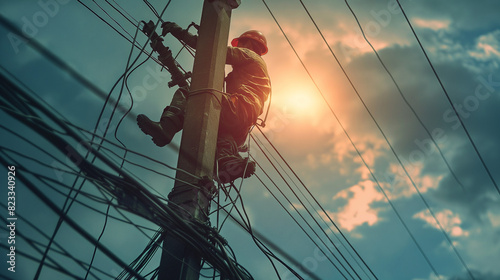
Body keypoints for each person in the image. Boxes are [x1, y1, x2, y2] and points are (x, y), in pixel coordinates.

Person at [137, 23, 271, 183]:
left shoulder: (249, 54)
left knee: (192, 93)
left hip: (239, 106)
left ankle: (167, 127)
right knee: (222, 132)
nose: (239, 47)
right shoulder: (255, 71)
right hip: (242, 124)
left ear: (248, 44)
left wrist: (177, 30)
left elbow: (213, 49)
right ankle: (227, 163)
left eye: (240, 44)